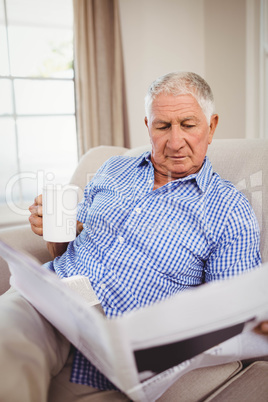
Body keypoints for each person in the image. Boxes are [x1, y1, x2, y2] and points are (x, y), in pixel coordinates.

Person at [1, 71, 267, 402]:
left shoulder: (228, 211)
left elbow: (234, 315)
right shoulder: (114, 169)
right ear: (147, 125)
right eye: (162, 126)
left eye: (188, 124)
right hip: (48, 297)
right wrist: (59, 229)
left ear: (211, 127)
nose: (174, 140)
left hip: (114, 349)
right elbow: (63, 247)